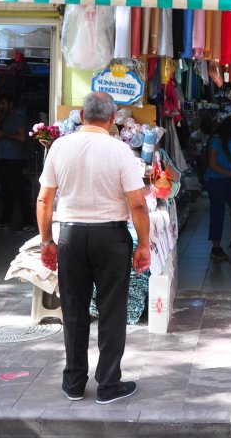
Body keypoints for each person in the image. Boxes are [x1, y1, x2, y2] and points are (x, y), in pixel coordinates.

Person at [36, 92, 151, 404]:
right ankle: (108, 383)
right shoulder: (119, 150)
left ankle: (74, 382)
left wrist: (46, 241)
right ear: (112, 119)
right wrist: (143, 245)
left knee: (74, 310)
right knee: (112, 312)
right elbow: (138, 204)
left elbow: (44, 199)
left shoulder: (59, 146)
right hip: (111, 238)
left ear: (81, 115)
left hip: (71, 236)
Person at [204, 117, 231, 260]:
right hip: (215, 181)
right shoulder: (216, 140)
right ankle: (215, 247)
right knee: (217, 213)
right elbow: (213, 164)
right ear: (229, 130)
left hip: (228, 180)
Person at [0, 93, 33, 231]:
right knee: (7, 191)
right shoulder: (6, 117)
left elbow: (22, 138)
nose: (1, 107)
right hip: (5, 158)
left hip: (14, 159)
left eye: (3, 103)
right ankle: (5, 220)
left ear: (11, 103)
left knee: (18, 191)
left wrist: (4, 135)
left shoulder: (19, 117)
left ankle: (28, 221)